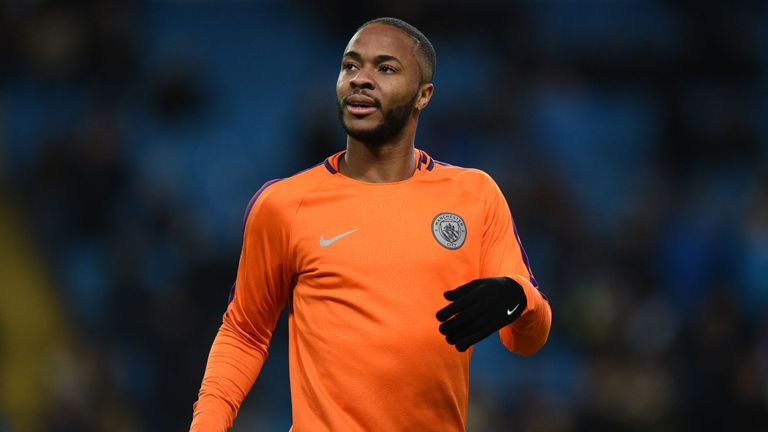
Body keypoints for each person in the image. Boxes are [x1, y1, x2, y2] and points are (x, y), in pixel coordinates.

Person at [190, 17, 552, 432]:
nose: (361, 79)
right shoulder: (284, 205)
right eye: (350, 66)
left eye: (385, 68)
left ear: (423, 96)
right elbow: (244, 333)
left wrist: (517, 298)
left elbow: (528, 339)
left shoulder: (475, 195)